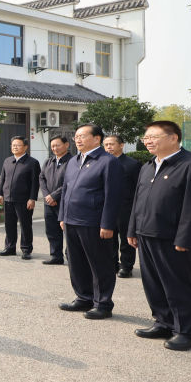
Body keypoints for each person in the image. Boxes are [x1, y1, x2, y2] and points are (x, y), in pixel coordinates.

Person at [127, 121, 191, 351]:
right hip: (145, 234)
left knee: (177, 285)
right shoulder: (148, 166)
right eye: (146, 137)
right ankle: (163, 322)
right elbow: (137, 200)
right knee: (153, 283)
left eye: (154, 136)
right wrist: (132, 229)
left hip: (172, 239)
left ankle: (185, 331)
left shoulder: (190, 165)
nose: (148, 141)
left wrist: (186, 239)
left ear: (173, 138)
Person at [56, 124, 123, 320]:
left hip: (93, 222)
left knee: (100, 263)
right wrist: (62, 216)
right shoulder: (74, 161)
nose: (78, 139)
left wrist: (108, 224)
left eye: (83, 136)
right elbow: (66, 190)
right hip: (71, 220)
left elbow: (113, 196)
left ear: (97, 139)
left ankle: (103, 303)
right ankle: (83, 297)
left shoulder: (107, 162)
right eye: (76, 136)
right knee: (76, 262)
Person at [103, 134, 141, 277]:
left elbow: (138, 189)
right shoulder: (102, 162)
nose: (108, 147)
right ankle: (112, 264)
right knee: (108, 239)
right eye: (106, 145)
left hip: (126, 208)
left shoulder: (132, 164)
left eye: (111, 144)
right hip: (106, 208)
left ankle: (126, 266)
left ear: (121, 145)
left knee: (126, 239)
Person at [0, 136, 40, 259]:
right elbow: (2, 179)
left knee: (25, 225)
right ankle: (10, 247)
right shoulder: (7, 161)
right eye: (13, 145)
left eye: (18, 145)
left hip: (24, 200)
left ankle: (26, 249)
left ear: (25, 147)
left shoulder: (32, 163)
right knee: (9, 224)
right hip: (8, 198)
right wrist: (0, 194)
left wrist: (32, 198)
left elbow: (35, 183)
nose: (15, 147)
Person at [39, 135, 71, 265]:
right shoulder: (49, 161)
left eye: (57, 145)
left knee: (69, 231)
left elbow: (70, 182)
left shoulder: (73, 161)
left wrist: (54, 196)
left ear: (66, 145)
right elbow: (41, 178)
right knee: (52, 230)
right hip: (49, 203)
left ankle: (71, 256)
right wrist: (47, 195)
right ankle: (55, 256)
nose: (55, 148)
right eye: (52, 146)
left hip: (65, 202)